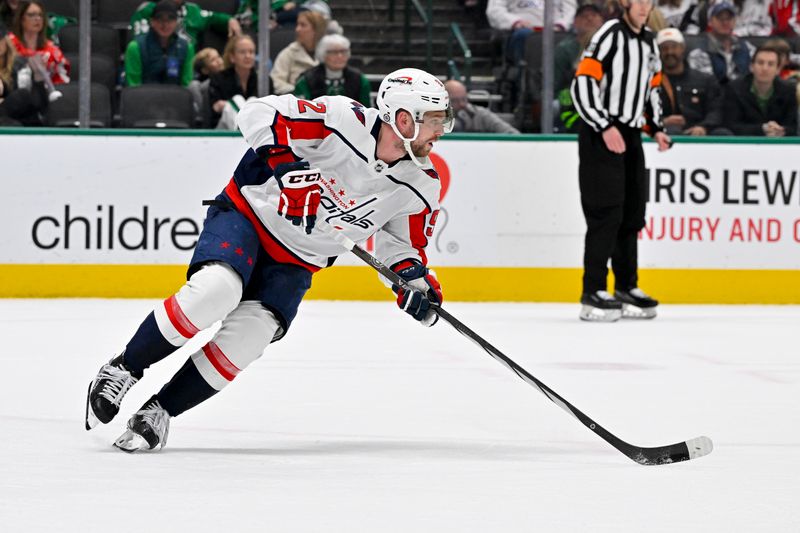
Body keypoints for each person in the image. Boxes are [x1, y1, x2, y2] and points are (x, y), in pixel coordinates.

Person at [83, 67, 453, 452]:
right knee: (215, 291)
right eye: (434, 122)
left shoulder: (422, 183)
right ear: (403, 119)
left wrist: (412, 281)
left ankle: (160, 410)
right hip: (249, 216)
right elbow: (258, 113)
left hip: (298, 260)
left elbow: (401, 246)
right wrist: (288, 169)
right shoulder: (341, 119)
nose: (440, 132)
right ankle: (123, 368)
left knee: (251, 335)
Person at [570, 0, 672, 322]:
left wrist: (655, 127)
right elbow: (583, 82)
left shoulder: (649, 41)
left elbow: (652, 88)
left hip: (629, 133)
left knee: (632, 212)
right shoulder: (610, 34)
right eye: (638, 0)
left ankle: (627, 285)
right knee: (606, 211)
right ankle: (594, 289)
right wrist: (603, 125)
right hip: (602, 131)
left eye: (648, 1)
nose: (644, 7)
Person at [657, 27, 730, 135]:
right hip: (665, 133)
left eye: (674, 47)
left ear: (682, 48)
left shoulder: (706, 80)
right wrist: (663, 121)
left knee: (723, 133)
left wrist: (703, 127)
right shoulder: (649, 82)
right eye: (664, 48)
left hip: (702, 132)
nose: (669, 52)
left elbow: (716, 111)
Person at [722, 43, 798, 135]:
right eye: (760, 63)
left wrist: (782, 130)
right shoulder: (734, 88)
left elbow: (793, 127)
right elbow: (731, 125)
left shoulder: (788, 90)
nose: (765, 68)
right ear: (751, 66)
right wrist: (762, 129)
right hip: (744, 144)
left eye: (770, 64)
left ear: (778, 69)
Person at [124, 0, 195, 87]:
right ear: (152, 22)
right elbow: (133, 85)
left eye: (170, 19)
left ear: (177, 22)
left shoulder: (187, 47)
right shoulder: (136, 47)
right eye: (160, 19)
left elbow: (186, 84)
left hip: (175, 97)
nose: (165, 25)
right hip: (144, 96)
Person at [485, 0, 577, 63]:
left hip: (556, 30)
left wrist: (560, 25)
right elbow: (494, 10)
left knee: (569, 40)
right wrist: (515, 22)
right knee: (524, 36)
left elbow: (571, 11)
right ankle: (524, 80)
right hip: (522, 30)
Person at [293, 34, 371, 106]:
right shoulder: (306, 80)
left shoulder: (360, 80)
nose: (339, 56)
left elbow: (366, 111)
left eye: (343, 51)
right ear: (323, 54)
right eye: (334, 52)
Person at [687, 2, 754, 85]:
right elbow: (706, 86)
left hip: (743, 96)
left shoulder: (747, 47)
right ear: (710, 22)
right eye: (720, 18)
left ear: (734, 21)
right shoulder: (699, 52)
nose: (725, 22)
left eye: (729, 18)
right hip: (714, 96)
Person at [131, 0, 241, 47]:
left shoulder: (192, 10)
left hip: (189, 67)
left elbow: (213, 17)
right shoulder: (147, 10)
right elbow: (139, 43)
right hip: (151, 64)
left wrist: (230, 20)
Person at [8, 0, 68, 85]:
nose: (37, 19)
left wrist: (51, 70)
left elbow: (62, 78)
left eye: (40, 15)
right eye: (31, 15)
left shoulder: (52, 49)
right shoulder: (9, 44)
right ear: (21, 19)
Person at [0, 21, 48, 125]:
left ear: (5, 41)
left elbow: (35, 102)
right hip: (7, 121)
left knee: (22, 95)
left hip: (22, 117)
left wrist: (38, 78)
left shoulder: (21, 64)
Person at [270, 9, 326, 94]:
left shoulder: (328, 53)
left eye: (303, 25)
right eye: (297, 24)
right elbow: (276, 82)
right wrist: (299, 91)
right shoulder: (289, 53)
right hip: (296, 102)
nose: (297, 29)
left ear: (316, 29)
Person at [208, 34, 258, 128]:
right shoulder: (219, 78)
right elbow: (215, 108)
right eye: (242, 52)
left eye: (251, 52)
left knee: (253, 101)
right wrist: (228, 105)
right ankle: (242, 132)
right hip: (223, 130)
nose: (248, 56)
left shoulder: (264, 80)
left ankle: (245, 131)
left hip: (256, 128)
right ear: (232, 57)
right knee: (236, 100)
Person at [444, 79, 520, 133]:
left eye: (464, 99)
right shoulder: (435, 117)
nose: (461, 104)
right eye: (454, 100)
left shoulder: (480, 114)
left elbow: (512, 134)